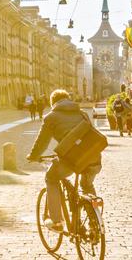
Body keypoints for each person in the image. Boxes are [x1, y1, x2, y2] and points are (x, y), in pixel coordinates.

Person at [25, 89, 102, 233]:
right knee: (87, 184)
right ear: (68, 99)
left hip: (72, 159)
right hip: (93, 157)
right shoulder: (82, 114)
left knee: (51, 178)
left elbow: (42, 143)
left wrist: (34, 156)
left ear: (52, 102)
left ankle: (56, 222)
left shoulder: (51, 117)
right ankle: (95, 223)